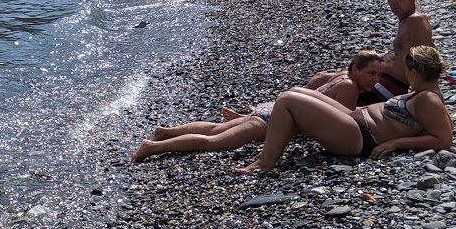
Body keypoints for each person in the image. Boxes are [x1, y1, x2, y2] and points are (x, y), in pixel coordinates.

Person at [235, 45, 454, 173]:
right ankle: (268, 136)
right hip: (355, 121)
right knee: (296, 92)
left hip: (359, 137)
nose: (404, 75)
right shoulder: (423, 94)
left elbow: (443, 139)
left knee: (287, 100)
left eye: (406, 71)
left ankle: (265, 162)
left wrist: (396, 142)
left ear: (415, 73)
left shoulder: (428, 99)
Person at [132, 51, 385, 162]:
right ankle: (154, 147)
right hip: (272, 118)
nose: (375, 80)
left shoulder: (334, 76)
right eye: (371, 74)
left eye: (378, 75)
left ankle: (165, 132)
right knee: (216, 142)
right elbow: (330, 122)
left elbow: (310, 88)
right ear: (354, 69)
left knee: (215, 129)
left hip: (270, 108)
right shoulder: (350, 88)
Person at [363, 0, 435, 101]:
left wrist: (421, 99)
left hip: (391, 87)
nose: (393, 2)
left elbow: (425, 61)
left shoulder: (416, 21)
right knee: (325, 78)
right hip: (384, 81)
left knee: (336, 86)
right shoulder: (406, 21)